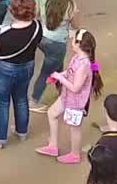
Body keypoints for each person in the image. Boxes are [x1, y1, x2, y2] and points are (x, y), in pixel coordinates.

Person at [0, 0, 42, 149]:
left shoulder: (6, 34)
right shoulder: (37, 27)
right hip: (27, 66)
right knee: (21, 98)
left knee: (2, 104)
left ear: (12, 11)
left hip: (5, 69)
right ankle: (22, 131)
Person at [37, 27, 100, 164]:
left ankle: (75, 154)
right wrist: (59, 75)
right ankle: (53, 145)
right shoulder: (78, 57)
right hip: (67, 96)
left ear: (78, 44)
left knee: (74, 128)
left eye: (73, 39)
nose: (71, 41)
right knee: (52, 113)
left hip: (76, 102)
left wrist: (60, 78)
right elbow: (70, 71)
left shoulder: (84, 65)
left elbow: (76, 88)